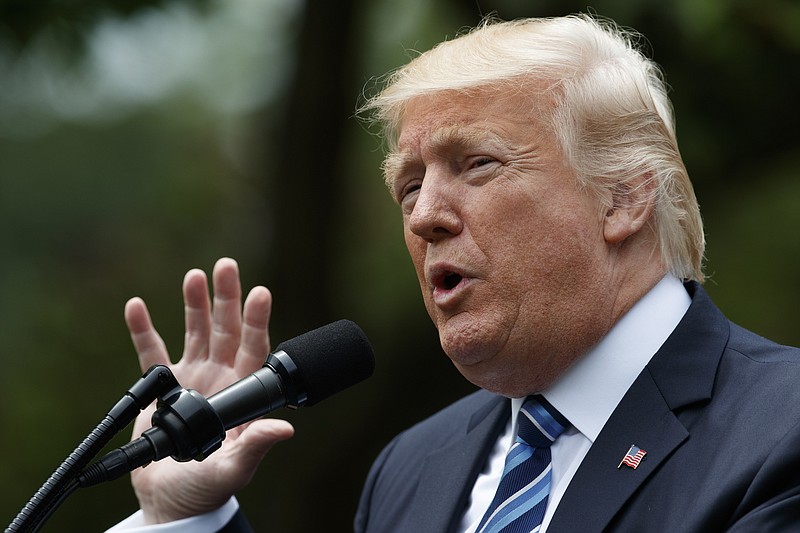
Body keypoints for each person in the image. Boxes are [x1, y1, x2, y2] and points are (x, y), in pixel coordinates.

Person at [108, 14, 800, 532]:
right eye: (409, 186)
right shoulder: (413, 467)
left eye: (477, 164)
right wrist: (188, 517)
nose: (424, 216)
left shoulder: (781, 429)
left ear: (624, 194)